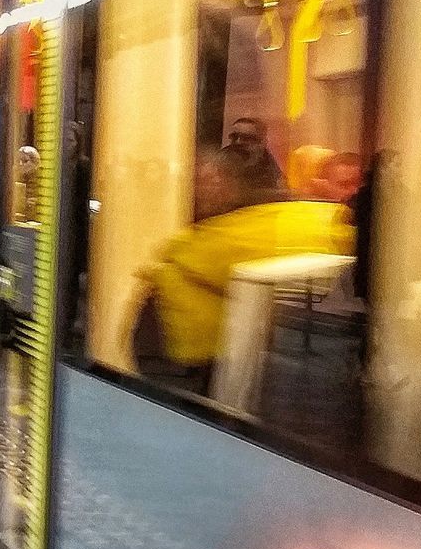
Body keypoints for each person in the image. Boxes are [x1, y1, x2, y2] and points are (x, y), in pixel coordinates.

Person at [131, 146, 353, 393]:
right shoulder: (288, 220)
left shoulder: (286, 218)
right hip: (182, 344)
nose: (203, 189)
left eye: (210, 180)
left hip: (192, 344)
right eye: (199, 181)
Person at [224, 116, 285, 193]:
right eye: (234, 137)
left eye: (246, 138)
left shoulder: (275, 178)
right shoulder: (216, 163)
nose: (238, 142)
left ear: (262, 143)